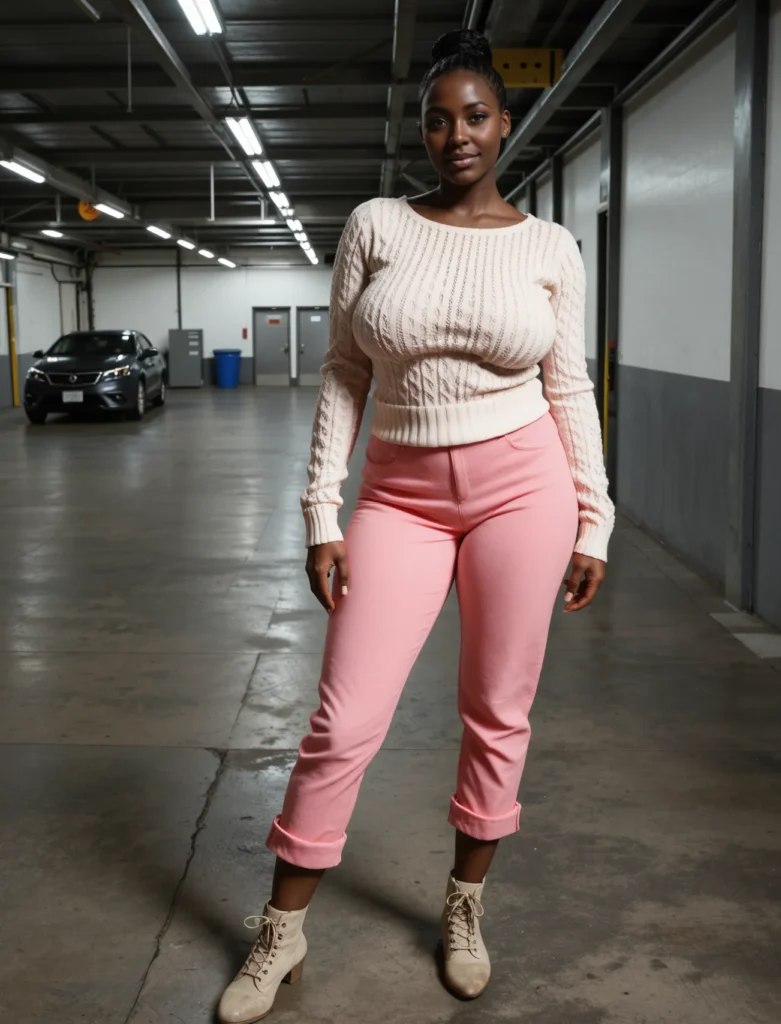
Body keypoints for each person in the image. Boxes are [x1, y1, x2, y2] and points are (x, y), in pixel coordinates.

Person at [218, 28, 614, 1023]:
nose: (455, 134)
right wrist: (320, 508)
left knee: (496, 711)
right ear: (422, 132)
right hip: (397, 493)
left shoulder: (549, 246)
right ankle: (282, 927)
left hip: (525, 487)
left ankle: (464, 904)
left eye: (473, 114)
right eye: (436, 119)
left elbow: (567, 386)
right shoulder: (375, 225)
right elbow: (346, 372)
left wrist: (593, 517)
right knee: (342, 720)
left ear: (505, 121)